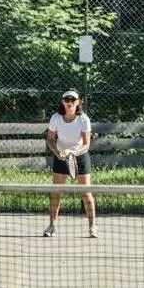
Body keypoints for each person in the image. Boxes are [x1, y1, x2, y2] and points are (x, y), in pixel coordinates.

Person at [43, 88, 97, 238]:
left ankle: (92, 227)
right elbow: (50, 140)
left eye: (73, 100)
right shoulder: (56, 118)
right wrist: (58, 153)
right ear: (63, 102)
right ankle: (52, 225)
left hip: (80, 156)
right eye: (67, 100)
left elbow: (86, 144)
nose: (70, 103)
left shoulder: (83, 119)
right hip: (61, 157)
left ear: (78, 102)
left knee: (86, 193)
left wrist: (75, 153)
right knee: (56, 193)